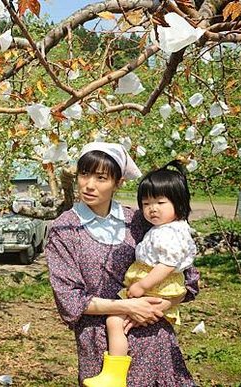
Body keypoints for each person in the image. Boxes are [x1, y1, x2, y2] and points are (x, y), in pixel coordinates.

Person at [45, 142, 199, 387]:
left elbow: (187, 277)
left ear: (118, 183)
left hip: (155, 334)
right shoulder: (64, 230)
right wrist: (128, 306)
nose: (89, 185)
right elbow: (69, 299)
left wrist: (158, 306)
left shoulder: (139, 220)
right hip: (104, 344)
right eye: (84, 174)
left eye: (101, 177)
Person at [83, 160, 197, 386]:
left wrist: (143, 287)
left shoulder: (169, 233)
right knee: (118, 321)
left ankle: (114, 375)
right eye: (146, 203)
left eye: (160, 202)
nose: (152, 208)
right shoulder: (161, 228)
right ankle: (114, 373)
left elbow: (168, 264)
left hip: (155, 288)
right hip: (154, 290)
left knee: (115, 321)